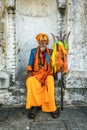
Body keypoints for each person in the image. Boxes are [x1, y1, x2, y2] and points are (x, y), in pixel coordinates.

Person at [26, 33, 60, 119]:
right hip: (37, 73)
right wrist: (29, 72)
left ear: (47, 42)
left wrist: (60, 55)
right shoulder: (33, 51)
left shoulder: (51, 51)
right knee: (30, 81)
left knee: (50, 82)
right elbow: (30, 64)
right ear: (38, 42)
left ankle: (52, 108)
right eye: (41, 41)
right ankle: (34, 106)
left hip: (48, 73)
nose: (43, 43)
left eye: (45, 41)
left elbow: (56, 62)